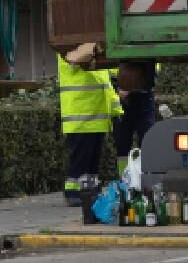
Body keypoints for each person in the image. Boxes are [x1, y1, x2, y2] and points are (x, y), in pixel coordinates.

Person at [58, 53, 122, 206]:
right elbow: (77, 62)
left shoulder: (95, 53)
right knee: (81, 158)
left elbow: (111, 71)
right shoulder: (70, 49)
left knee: (93, 159)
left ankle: (90, 190)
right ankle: (73, 192)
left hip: (96, 115)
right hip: (80, 116)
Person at [112, 61, 158, 174]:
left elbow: (154, 70)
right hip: (123, 99)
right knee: (122, 145)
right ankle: (125, 179)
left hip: (143, 97)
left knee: (147, 141)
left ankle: (147, 177)